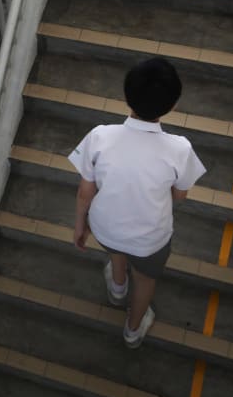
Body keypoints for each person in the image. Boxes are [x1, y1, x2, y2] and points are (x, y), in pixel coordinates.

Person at [68, 57, 206, 348]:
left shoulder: (99, 136)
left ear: (126, 96)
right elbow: (180, 195)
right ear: (173, 105)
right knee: (145, 280)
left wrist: (80, 225)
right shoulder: (179, 149)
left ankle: (117, 287)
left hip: (105, 227)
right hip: (149, 240)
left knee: (117, 248)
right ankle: (132, 330)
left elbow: (84, 192)